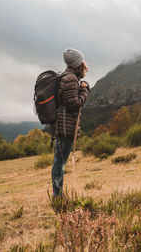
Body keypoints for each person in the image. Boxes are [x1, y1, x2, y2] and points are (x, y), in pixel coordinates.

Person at [51, 48, 90, 197]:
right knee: (59, 163)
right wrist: (85, 91)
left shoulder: (65, 76)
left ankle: (58, 194)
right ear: (77, 63)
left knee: (59, 162)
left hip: (61, 125)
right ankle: (58, 195)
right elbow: (74, 104)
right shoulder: (71, 79)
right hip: (66, 127)